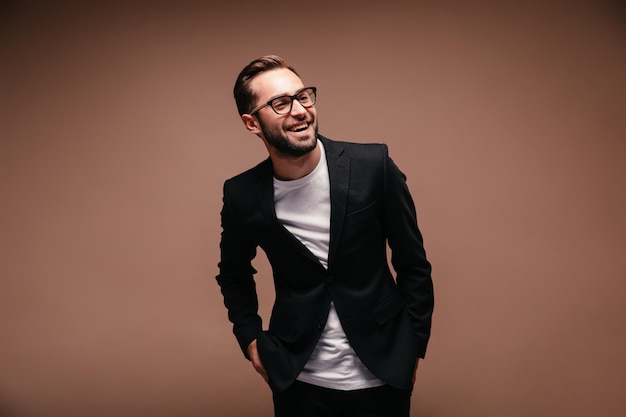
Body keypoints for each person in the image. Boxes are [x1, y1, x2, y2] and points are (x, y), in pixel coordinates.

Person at [216, 55, 434, 417]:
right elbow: (233, 274)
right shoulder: (241, 194)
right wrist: (251, 340)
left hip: (383, 372)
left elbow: (413, 263)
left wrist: (414, 343)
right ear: (252, 123)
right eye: (280, 103)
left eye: (303, 96)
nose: (300, 110)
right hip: (298, 378)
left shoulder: (373, 166)